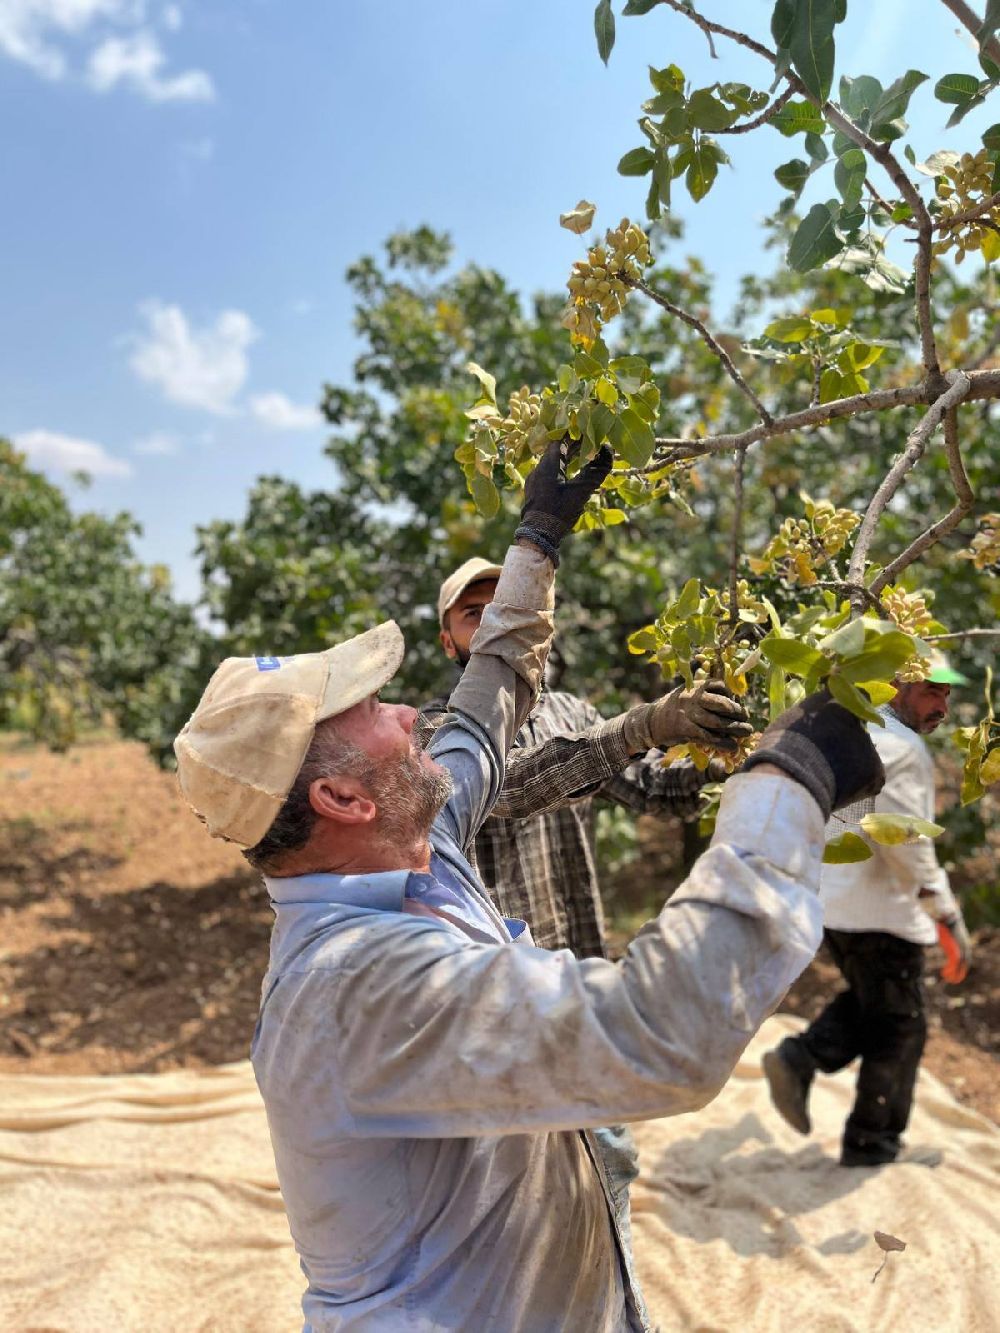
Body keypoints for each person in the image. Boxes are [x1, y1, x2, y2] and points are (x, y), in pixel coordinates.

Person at [174, 440, 884, 1331]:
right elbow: (664, 1031)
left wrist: (538, 537)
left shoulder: (410, 849)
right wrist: (790, 781)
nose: (410, 712)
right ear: (343, 799)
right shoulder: (354, 989)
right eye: (374, 711)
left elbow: (486, 705)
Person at [425, 556, 747, 959]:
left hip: (579, 957)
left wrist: (731, 764)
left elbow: (656, 788)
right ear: (447, 642)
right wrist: (642, 727)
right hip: (501, 972)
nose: (493, 625)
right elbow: (510, 786)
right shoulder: (435, 731)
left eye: (502, 609)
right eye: (474, 614)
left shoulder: (570, 713)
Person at [761, 658, 973, 1168]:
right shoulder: (905, 748)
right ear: (898, 685)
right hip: (881, 912)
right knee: (899, 1028)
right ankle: (870, 1143)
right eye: (931, 692)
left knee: (876, 1002)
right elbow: (905, 841)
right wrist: (946, 913)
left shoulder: (857, 729)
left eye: (946, 696)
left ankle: (800, 1058)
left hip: (835, 903)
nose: (941, 707)